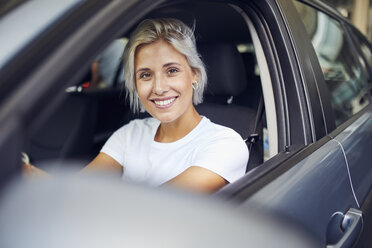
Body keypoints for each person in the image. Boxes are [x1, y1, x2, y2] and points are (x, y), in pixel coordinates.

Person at [24, 18, 249, 194]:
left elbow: (154, 209)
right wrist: (23, 170)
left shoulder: (226, 144)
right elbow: (74, 191)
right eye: (145, 75)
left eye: (172, 71)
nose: (159, 87)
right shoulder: (130, 134)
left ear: (194, 75)